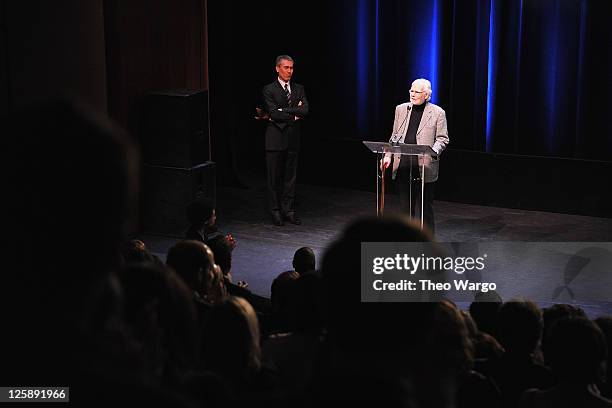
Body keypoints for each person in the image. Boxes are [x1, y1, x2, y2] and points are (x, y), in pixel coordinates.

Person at [381, 78, 449, 235]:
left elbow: (442, 139)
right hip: (404, 164)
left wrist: (432, 152)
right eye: (411, 90)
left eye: (416, 92)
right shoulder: (401, 109)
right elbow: (394, 137)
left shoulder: (438, 112)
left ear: (426, 95)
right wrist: (387, 156)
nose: (412, 94)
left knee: (425, 209)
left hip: (424, 166)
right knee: (405, 208)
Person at [262, 55, 309, 226]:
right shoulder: (269, 89)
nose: (289, 71)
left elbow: (305, 110)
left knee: (290, 178)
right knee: (274, 178)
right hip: (275, 140)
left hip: (292, 140)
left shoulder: (298, 89)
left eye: (291, 68)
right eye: (286, 68)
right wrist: (293, 113)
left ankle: (288, 210)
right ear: (277, 68)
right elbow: (273, 113)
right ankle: (275, 211)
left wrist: (285, 110)